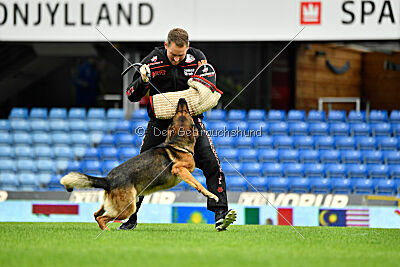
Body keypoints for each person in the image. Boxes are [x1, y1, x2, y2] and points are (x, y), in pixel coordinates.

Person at [120, 28, 236, 231]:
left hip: (190, 124)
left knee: (212, 164)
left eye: (180, 55)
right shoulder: (152, 59)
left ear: (188, 48)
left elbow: (208, 89)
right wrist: (143, 80)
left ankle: (220, 215)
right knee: (141, 170)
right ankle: (130, 218)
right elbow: (131, 95)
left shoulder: (198, 58)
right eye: (173, 55)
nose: (176, 59)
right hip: (161, 124)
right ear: (166, 46)